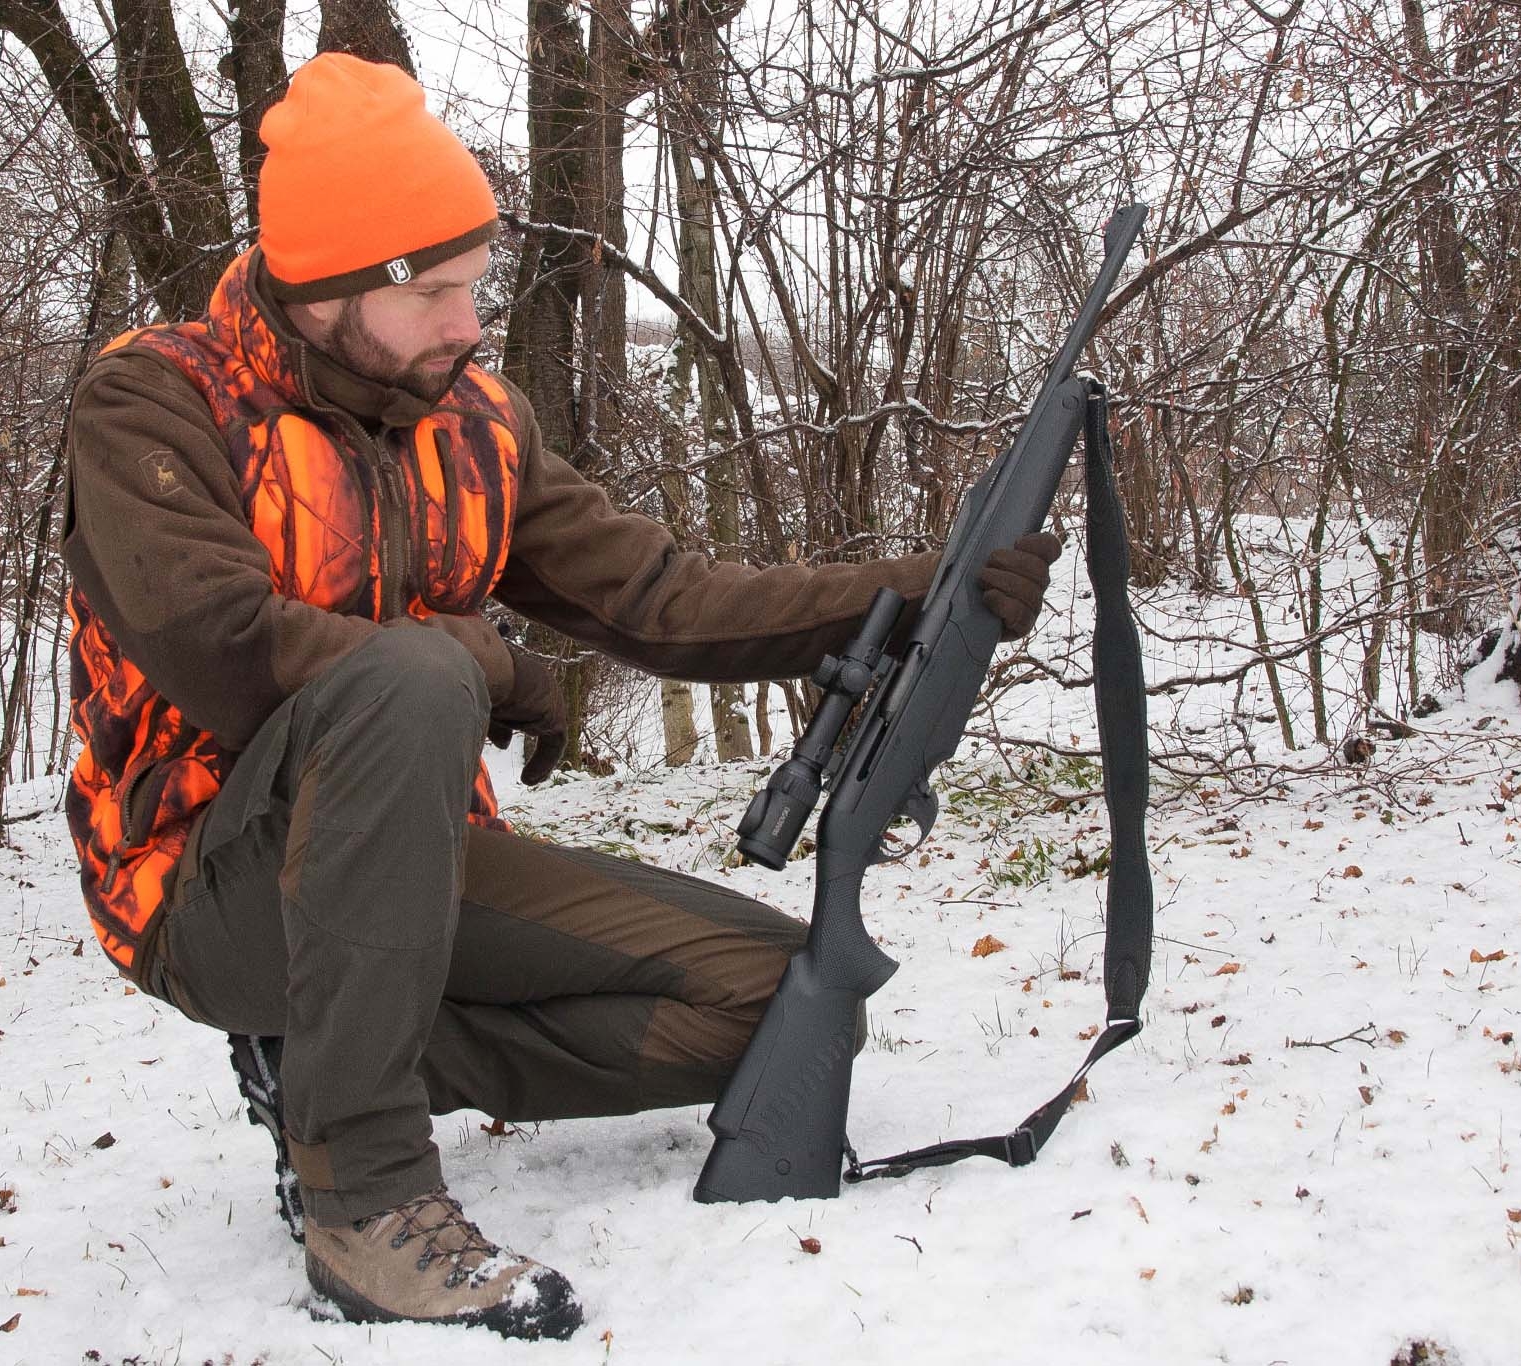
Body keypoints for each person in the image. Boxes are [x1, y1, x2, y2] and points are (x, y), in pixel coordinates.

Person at [59, 51, 1059, 1341]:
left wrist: (920, 593)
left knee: (773, 1000)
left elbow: (661, 597)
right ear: (335, 289)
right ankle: (363, 1198)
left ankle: (319, 1062)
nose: (470, 322)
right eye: (438, 292)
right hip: (201, 881)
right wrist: (485, 662)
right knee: (417, 673)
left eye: (476, 283)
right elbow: (225, 650)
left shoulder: (477, 420)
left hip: (413, 867)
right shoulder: (155, 403)